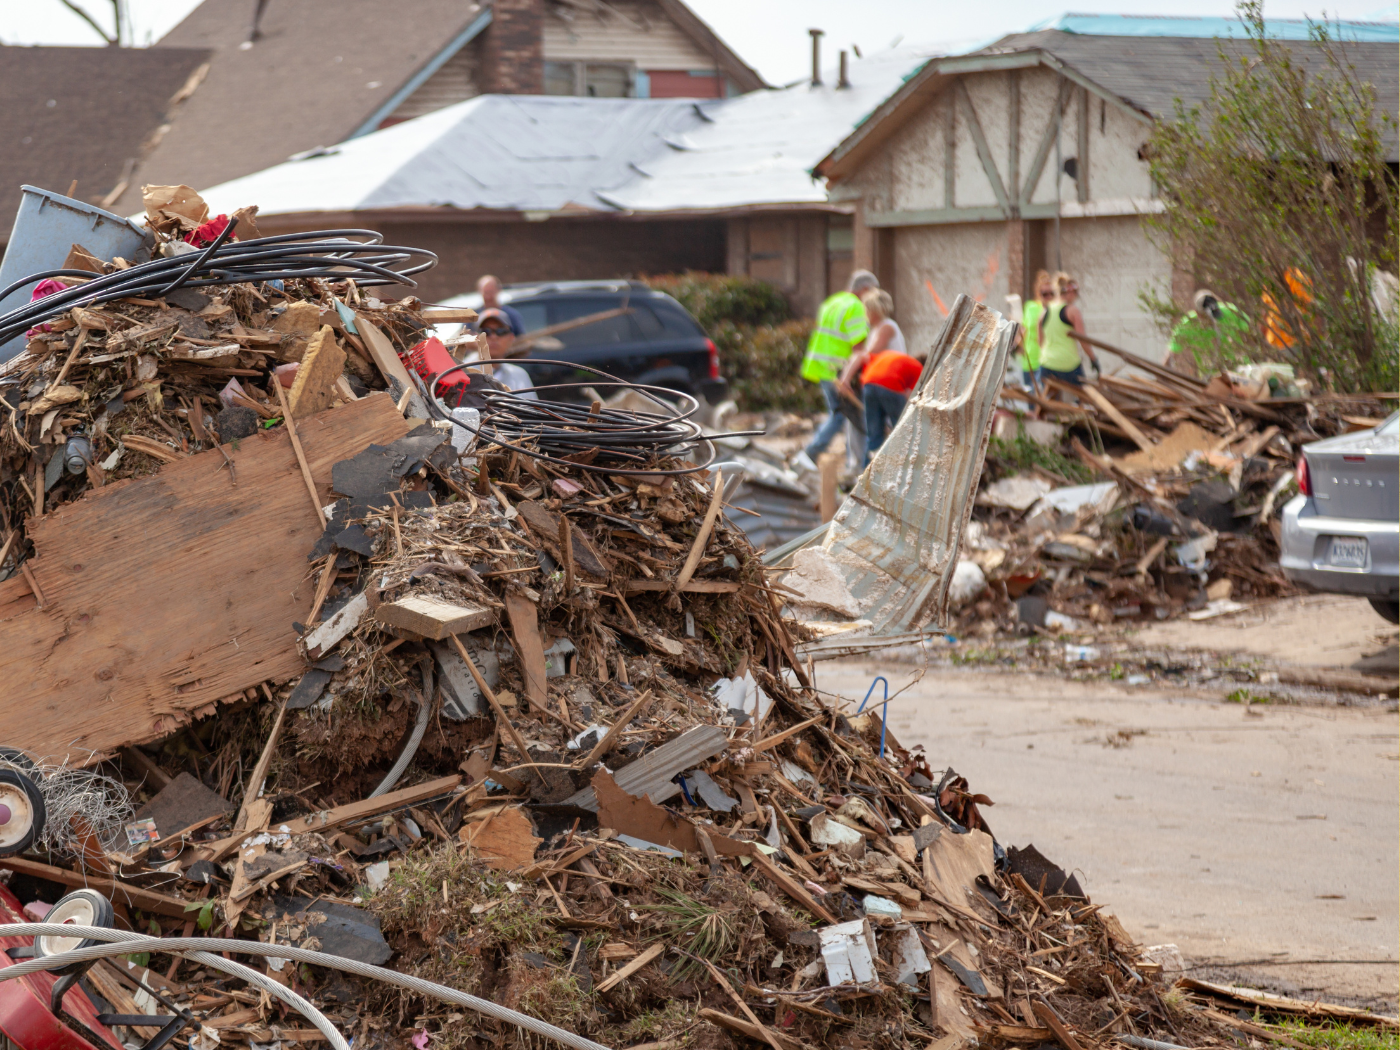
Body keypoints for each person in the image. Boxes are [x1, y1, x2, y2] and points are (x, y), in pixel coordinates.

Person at [793, 269, 879, 473]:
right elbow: (858, 345)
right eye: (873, 292)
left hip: (823, 366)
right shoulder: (856, 307)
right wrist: (853, 375)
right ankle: (810, 454)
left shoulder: (833, 301)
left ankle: (852, 464)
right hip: (840, 370)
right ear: (865, 289)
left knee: (843, 415)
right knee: (843, 415)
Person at [837, 291, 924, 466]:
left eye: (867, 310)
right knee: (897, 432)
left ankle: (869, 474)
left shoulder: (886, 327)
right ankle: (892, 472)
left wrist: (846, 378)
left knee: (880, 434)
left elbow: (864, 356)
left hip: (882, 382)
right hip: (886, 384)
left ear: (874, 310)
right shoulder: (877, 330)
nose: (865, 315)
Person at [1167, 289, 1251, 376]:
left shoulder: (1230, 311)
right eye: (1207, 318)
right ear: (1198, 313)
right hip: (1211, 375)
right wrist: (1163, 374)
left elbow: (1251, 331)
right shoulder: (1187, 325)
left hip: (1239, 370)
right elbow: (1172, 352)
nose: (1213, 321)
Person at [1036, 273, 1098, 389]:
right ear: (1070, 292)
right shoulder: (1073, 311)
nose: (1076, 298)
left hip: (1047, 363)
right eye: (1076, 294)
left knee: (1049, 403)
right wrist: (1093, 359)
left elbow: (1040, 342)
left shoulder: (1044, 312)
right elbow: (1083, 340)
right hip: (1068, 364)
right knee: (1083, 398)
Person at [463, 308, 538, 400]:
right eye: (486, 331)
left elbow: (531, 411)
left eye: (501, 331)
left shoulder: (520, 375)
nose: (494, 337)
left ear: (511, 338)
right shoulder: (463, 372)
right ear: (476, 337)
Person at [1018, 270, 1054, 388]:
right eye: (1044, 293)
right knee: (1031, 401)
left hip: (1047, 362)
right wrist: (1017, 345)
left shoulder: (1056, 311)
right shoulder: (1030, 307)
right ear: (1038, 293)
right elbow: (1024, 329)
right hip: (1029, 361)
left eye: (1051, 293)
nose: (1048, 297)